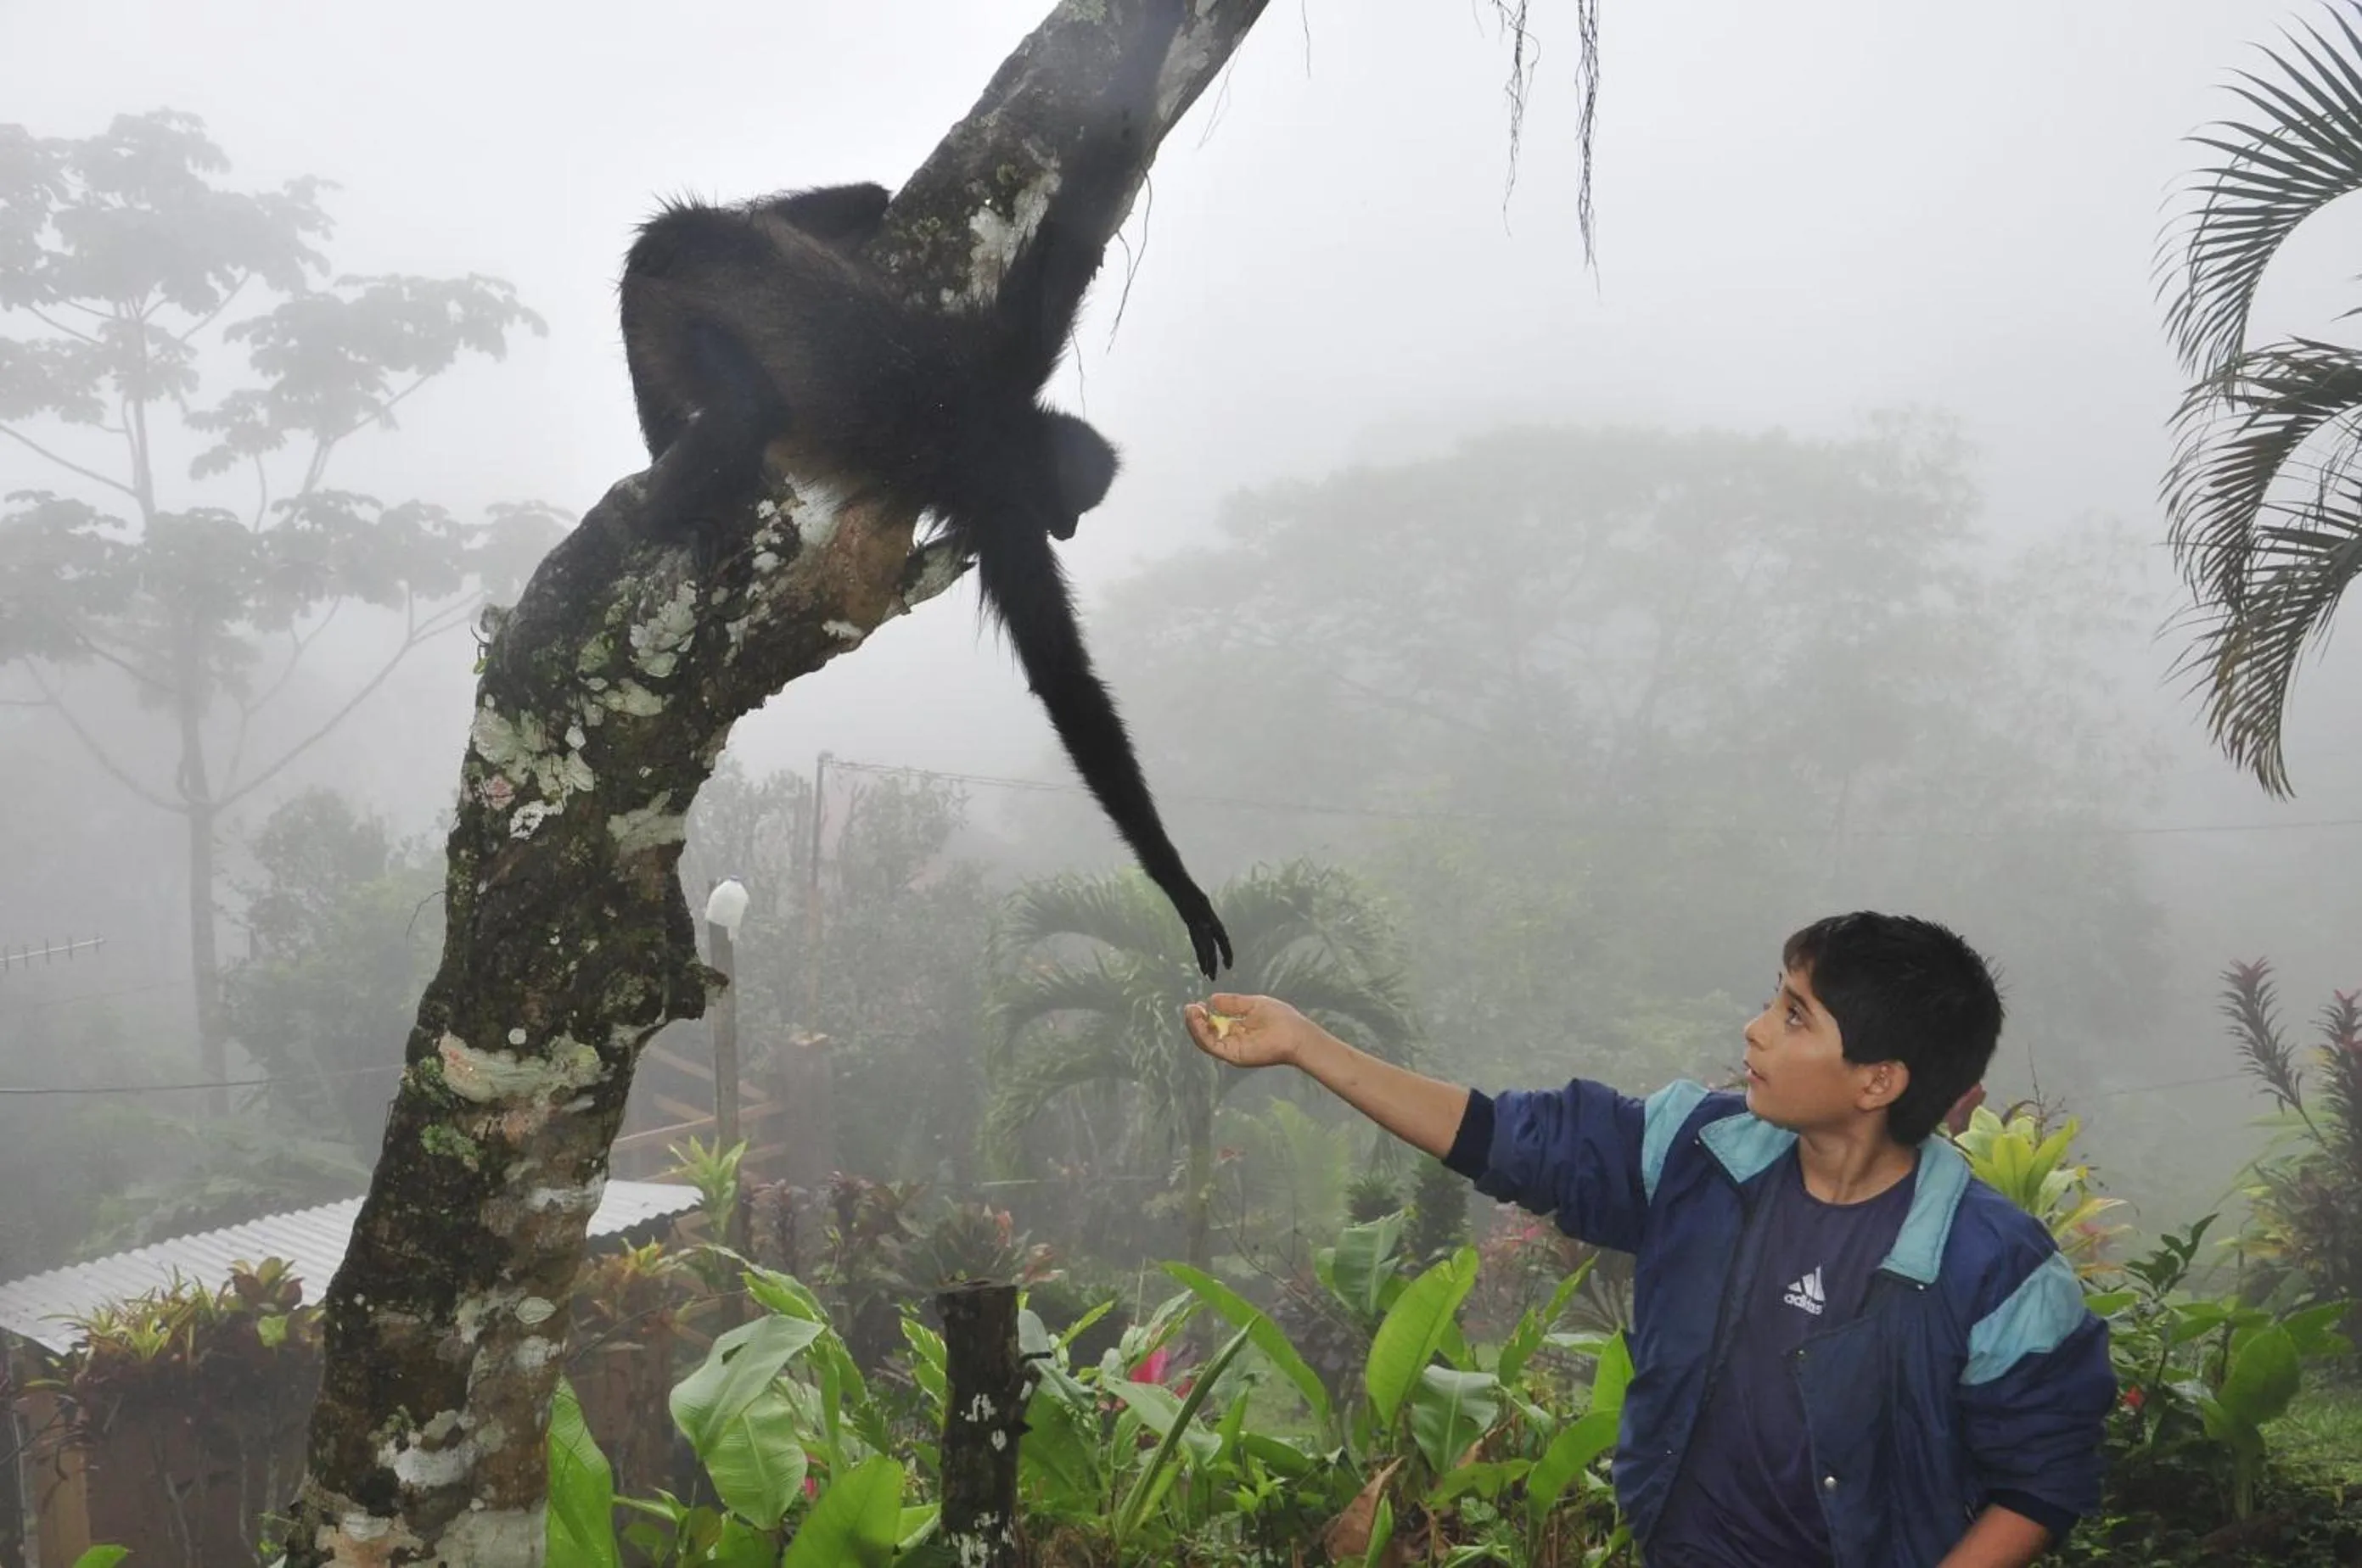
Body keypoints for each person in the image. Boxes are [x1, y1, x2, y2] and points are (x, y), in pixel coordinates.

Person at [1181, 910, 2113, 1568]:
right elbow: (1507, 1138)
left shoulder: (1996, 1272)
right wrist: (1307, 1043)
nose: (1753, 1029)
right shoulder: (1695, 1153)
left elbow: (2040, 1484)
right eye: (1772, 999)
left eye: (1795, 1015)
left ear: (1876, 1081)